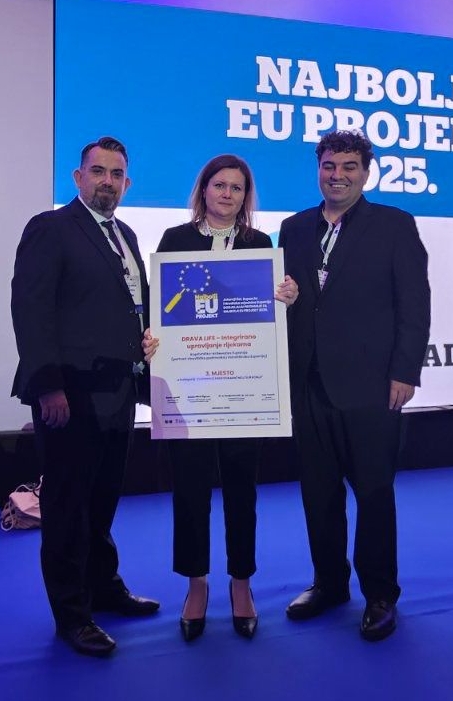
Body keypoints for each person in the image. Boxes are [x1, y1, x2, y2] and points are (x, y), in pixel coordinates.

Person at [277, 130, 431, 641]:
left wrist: (405, 371)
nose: (337, 175)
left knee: (373, 493)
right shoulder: (294, 228)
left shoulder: (394, 225)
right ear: (318, 169)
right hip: (308, 384)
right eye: (329, 165)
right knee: (318, 493)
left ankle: (381, 594)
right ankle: (329, 583)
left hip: (372, 386)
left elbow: (415, 304)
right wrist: (284, 299)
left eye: (348, 166)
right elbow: (292, 302)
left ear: (366, 172)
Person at [10, 136, 159, 658]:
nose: (107, 182)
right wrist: (48, 385)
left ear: (127, 183)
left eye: (116, 174)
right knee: (67, 506)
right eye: (98, 172)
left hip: (118, 393)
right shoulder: (50, 228)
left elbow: (128, 308)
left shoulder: (127, 235)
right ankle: (72, 614)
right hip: (69, 396)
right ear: (78, 178)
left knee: (101, 502)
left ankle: (104, 588)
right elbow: (31, 311)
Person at [142, 154, 298, 641]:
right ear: (204, 190)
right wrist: (150, 338)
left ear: (245, 196)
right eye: (219, 185)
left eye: (236, 187)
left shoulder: (260, 244)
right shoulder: (175, 240)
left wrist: (286, 299)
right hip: (188, 391)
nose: (227, 194)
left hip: (242, 390)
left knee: (242, 491)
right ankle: (196, 585)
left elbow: (266, 318)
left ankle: (241, 583)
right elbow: (159, 308)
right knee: (189, 491)